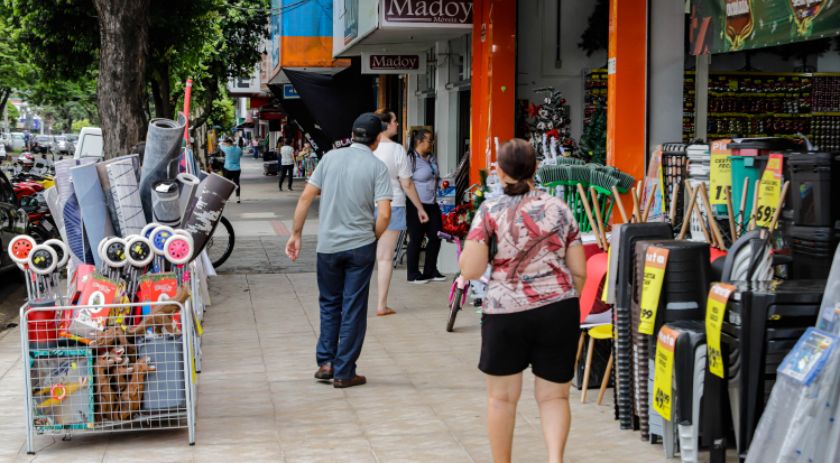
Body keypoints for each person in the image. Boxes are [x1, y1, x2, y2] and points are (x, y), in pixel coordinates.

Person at [459, 139, 587, 463]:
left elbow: (472, 269)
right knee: (555, 397)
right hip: (558, 309)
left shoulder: (489, 210)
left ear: (499, 172)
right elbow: (579, 270)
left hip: (505, 313)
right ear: (537, 168)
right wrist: (567, 301)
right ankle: (555, 459)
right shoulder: (559, 209)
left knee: (501, 399)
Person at [285, 113, 392, 389]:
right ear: (377, 140)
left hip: (328, 248)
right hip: (360, 247)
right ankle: (345, 371)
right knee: (353, 308)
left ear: (353, 135)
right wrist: (373, 237)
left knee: (330, 304)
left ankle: (326, 363)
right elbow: (384, 214)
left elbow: (306, 196)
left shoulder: (330, 158)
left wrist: (295, 233)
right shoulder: (377, 167)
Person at [372, 110, 429, 317]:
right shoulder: (396, 150)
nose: (398, 124)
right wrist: (420, 208)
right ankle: (381, 305)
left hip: (364, 205)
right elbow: (407, 183)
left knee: (360, 256)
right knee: (385, 258)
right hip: (392, 204)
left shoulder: (364, 148)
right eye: (395, 121)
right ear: (386, 125)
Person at [405, 128, 445, 283]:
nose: (432, 144)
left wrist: (442, 183)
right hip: (416, 203)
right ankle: (413, 274)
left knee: (437, 235)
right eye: (429, 141)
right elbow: (406, 181)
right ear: (419, 141)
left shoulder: (431, 158)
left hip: (432, 202)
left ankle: (430, 270)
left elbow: (436, 177)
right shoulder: (410, 159)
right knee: (416, 238)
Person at [220, 137, 242, 203]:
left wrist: (222, 143)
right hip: (237, 169)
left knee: (227, 184)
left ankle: (227, 198)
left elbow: (221, 145)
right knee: (237, 183)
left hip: (228, 169)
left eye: (226, 143)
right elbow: (241, 154)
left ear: (228, 143)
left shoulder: (227, 149)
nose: (225, 145)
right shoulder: (238, 149)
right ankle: (238, 198)